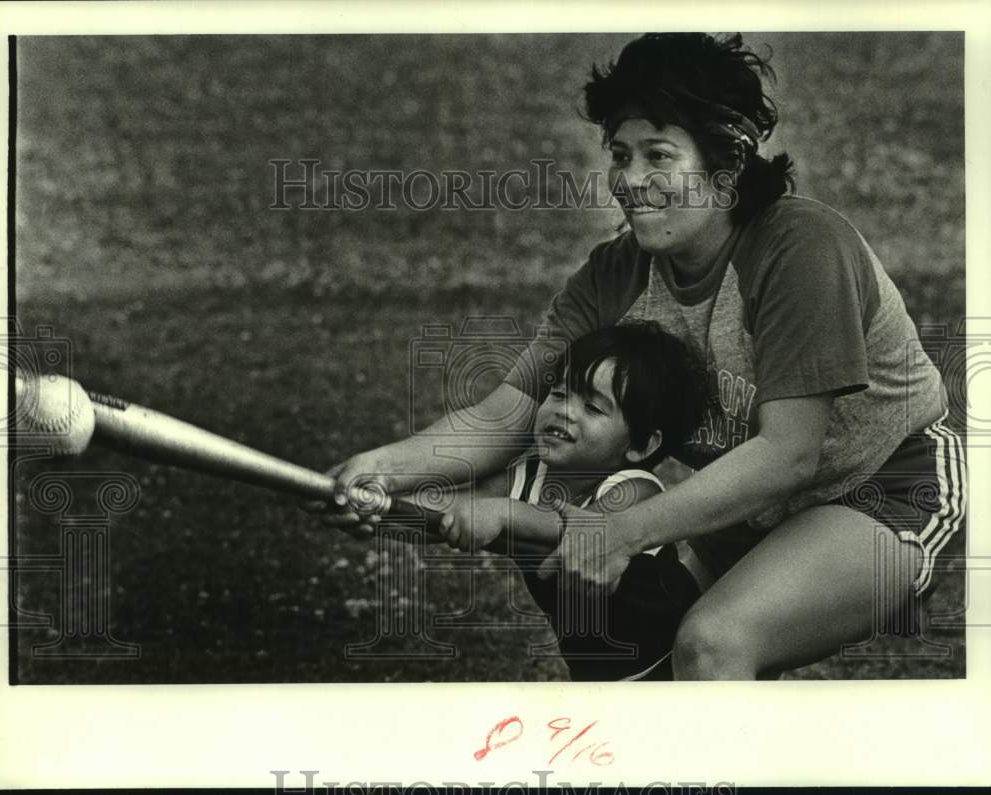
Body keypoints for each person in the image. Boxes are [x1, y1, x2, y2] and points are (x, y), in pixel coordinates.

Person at [314, 33, 966, 680]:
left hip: (888, 485)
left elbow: (790, 452)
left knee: (713, 641)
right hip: (757, 509)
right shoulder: (615, 275)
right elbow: (508, 414)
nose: (630, 181)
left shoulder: (803, 249)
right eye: (621, 155)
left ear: (725, 162)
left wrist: (620, 533)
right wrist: (382, 471)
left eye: (659, 155)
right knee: (639, 649)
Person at [429, 320, 711, 681]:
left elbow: (581, 529)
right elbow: (453, 506)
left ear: (642, 446)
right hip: (597, 675)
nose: (564, 410)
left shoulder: (636, 490)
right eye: (559, 394)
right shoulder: (527, 475)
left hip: (669, 668)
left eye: (593, 408)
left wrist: (504, 513)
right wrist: (376, 503)